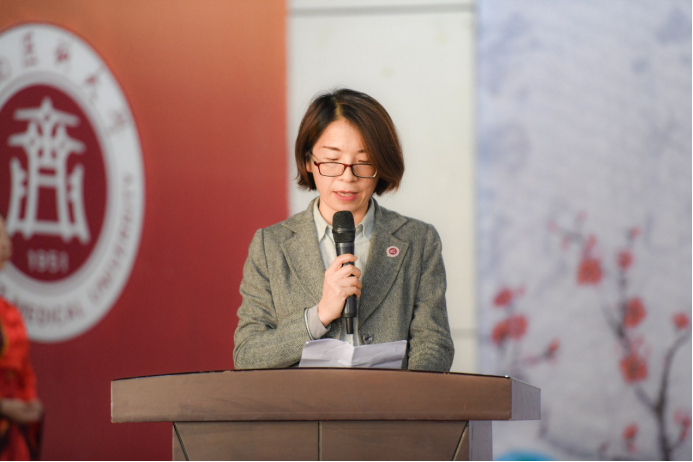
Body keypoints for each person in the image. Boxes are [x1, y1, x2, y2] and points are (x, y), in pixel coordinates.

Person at [233, 89, 454, 372]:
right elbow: (247, 355)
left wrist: (403, 396)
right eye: (332, 161)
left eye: (363, 161)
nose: (347, 177)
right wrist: (319, 315)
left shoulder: (418, 240)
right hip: (304, 401)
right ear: (309, 161)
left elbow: (434, 343)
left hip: (391, 400)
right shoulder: (271, 245)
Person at [0, 216, 43, 461]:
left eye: (6, 234)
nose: (6, 243)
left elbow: (24, 370)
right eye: (0, 236)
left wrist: (29, 401)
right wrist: (3, 408)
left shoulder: (10, 313)